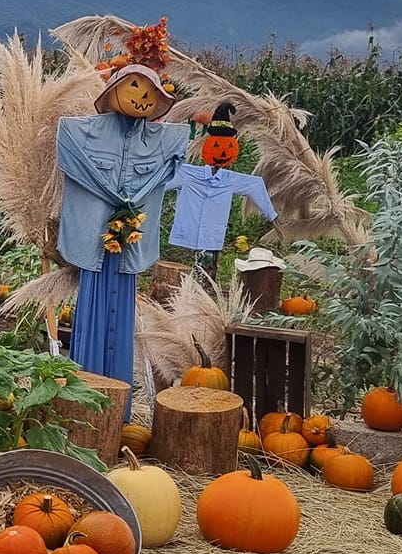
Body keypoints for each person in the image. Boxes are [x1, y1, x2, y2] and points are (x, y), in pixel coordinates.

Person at [53, 64, 192, 386]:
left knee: (123, 315)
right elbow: (70, 152)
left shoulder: (160, 139)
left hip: (129, 245)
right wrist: (114, 196)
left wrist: (134, 199)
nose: (142, 96)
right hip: (94, 242)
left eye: (151, 91)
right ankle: (85, 387)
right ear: (113, 91)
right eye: (133, 85)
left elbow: (176, 153)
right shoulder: (84, 132)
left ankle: (118, 396)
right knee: (90, 310)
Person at [169, 101, 277, 285]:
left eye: (228, 148)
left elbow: (255, 185)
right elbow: (160, 182)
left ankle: (205, 287)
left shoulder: (231, 179)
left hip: (212, 231)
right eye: (217, 146)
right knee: (181, 269)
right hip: (186, 231)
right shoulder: (187, 174)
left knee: (207, 266)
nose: (222, 152)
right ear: (208, 146)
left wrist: (270, 213)